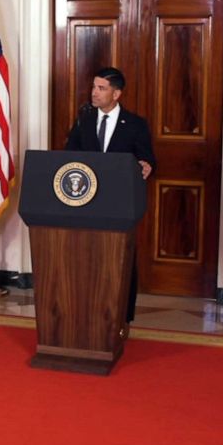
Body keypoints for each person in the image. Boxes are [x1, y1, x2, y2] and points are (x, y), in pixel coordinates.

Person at [65, 67, 156, 325]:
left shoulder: (136, 124)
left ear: (116, 94)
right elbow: (69, 154)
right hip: (85, 202)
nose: (94, 92)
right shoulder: (83, 118)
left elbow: (147, 159)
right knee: (88, 258)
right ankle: (87, 310)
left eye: (101, 88)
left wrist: (146, 165)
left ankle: (122, 316)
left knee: (121, 259)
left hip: (119, 205)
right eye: (94, 87)